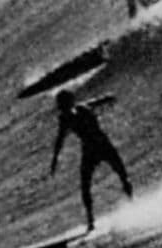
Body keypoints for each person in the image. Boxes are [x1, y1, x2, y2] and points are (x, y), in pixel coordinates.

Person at [50, 89, 133, 232]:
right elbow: (60, 139)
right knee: (85, 186)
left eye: (63, 104)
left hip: (104, 145)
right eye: (61, 106)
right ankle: (90, 222)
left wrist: (107, 98)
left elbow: (95, 102)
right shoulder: (65, 119)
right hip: (89, 151)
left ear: (69, 103)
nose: (62, 108)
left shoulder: (82, 108)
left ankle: (132, 205)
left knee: (123, 175)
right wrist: (55, 160)